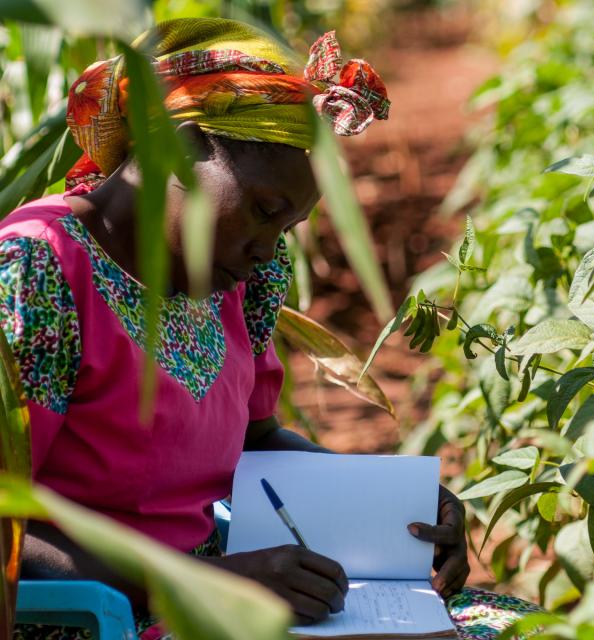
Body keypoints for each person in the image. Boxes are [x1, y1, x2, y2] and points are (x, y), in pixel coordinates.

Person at [2, 17, 539, 640]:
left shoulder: (238, 275)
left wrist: (399, 506)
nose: (268, 247)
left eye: (286, 227)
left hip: (225, 598)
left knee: (518, 628)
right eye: (262, 212)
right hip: (94, 617)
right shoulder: (37, 271)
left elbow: (257, 441)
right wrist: (203, 582)